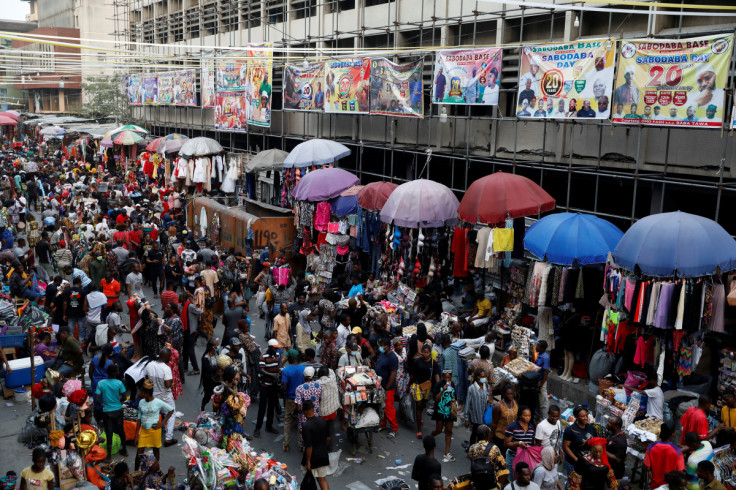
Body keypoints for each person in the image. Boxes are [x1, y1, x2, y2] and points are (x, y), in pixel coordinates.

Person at [135, 379, 174, 470]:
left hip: (155, 431)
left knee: (156, 451)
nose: (140, 393)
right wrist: (136, 435)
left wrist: (162, 423)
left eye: (142, 392)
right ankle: (135, 473)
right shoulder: (141, 402)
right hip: (144, 431)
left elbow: (171, 410)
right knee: (139, 453)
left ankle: (155, 470)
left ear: (146, 393)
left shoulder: (158, 402)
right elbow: (139, 419)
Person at [143, 348, 177, 447]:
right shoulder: (166, 368)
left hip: (154, 394)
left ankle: (151, 435)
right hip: (165, 396)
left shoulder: (149, 365)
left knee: (154, 414)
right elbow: (167, 384)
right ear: (166, 357)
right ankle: (168, 439)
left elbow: (147, 379)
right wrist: (171, 383)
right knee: (171, 414)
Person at [96, 363, 129, 458]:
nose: (119, 372)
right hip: (118, 410)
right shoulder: (119, 383)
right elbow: (124, 397)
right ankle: (125, 450)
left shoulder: (101, 383)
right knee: (121, 430)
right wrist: (118, 401)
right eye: (117, 370)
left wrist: (102, 405)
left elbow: (97, 399)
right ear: (114, 373)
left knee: (109, 432)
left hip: (107, 411)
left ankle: (109, 456)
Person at [411, 343, 441, 439]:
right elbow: (412, 373)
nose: (426, 354)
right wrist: (409, 385)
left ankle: (420, 420)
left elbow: (436, 375)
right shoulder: (416, 362)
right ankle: (419, 429)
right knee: (419, 405)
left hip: (427, 387)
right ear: (421, 352)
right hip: (417, 385)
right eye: (424, 352)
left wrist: (438, 386)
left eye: (428, 352)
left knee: (423, 403)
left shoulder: (433, 363)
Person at [644, 423, 686, 489]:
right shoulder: (677, 451)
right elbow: (680, 471)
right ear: (673, 434)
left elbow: (647, 467)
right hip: (670, 486)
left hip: (655, 484)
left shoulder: (651, 447)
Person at [468, 424, 509, 490]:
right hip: (491, 482)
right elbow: (503, 464)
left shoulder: (472, 448)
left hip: (477, 481)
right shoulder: (494, 448)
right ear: (487, 435)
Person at [254, 339, 281, 438]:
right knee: (262, 407)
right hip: (264, 384)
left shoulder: (277, 355)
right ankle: (257, 428)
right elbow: (261, 370)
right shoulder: (263, 356)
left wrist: (278, 372)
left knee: (271, 406)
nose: (277, 349)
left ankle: (269, 426)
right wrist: (272, 374)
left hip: (273, 385)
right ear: (270, 347)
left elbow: (276, 367)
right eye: (275, 348)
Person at [302, 399, 330, 490]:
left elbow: (309, 446)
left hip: (313, 458)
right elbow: (328, 438)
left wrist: (308, 461)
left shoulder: (306, 426)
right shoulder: (322, 421)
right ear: (313, 409)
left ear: (305, 412)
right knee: (322, 479)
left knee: (308, 479)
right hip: (323, 454)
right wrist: (322, 447)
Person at [431, 369, 457, 462]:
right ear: (442, 377)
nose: (447, 379)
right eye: (445, 377)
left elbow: (454, 396)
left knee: (449, 431)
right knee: (439, 430)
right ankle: (431, 436)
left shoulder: (452, 384)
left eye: (449, 377)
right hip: (440, 411)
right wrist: (443, 390)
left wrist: (454, 401)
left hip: (449, 411)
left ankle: (447, 452)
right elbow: (436, 399)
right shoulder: (438, 385)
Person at [562, 406, 597, 476]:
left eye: (586, 415)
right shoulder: (570, 430)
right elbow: (565, 447)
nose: (586, 418)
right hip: (574, 463)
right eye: (582, 416)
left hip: (587, 462)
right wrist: (576, 459)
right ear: (576, 417)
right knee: (572, 483)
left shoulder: (591, 428)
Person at [281, 349, 305, 452]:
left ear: (291, 358)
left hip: (290, 399)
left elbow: (284, 387)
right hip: (301, 400)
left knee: (288, 421)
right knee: (301, 421)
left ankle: (286, 444)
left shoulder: (286, 370)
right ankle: (301, 445)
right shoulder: (304, 369)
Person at [376, 337, 399, 437]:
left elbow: (393, 374)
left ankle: (394, 428)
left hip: (388, 387)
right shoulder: (382, 353)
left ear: (386, 346)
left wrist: (387, 388)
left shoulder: (392, 357)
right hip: (380, 384)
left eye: (381, 345)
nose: (380, 347)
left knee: (389, 408)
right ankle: (383, 424)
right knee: (382, 406)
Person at [505, 406, 535, 476]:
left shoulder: (531, 427)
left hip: (525, 457)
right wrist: (519, 444)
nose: (528, 417)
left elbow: (531, 443)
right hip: (513, 456)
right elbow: (506, 444)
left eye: (529, 416)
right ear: (520, 416)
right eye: (525, 415)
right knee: (512, 477)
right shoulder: (512, 427)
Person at [465, 367, 492, 445]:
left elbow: (487, 397)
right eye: (482, 377)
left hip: (484, 416)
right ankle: (472, 449)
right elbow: (467, 403)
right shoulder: (472, 389)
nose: (484, 378)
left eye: (485, 376)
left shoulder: (486, 387)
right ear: (477, 377)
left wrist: (489, 401)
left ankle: (478, 450)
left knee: (482, 436)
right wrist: (466, 418)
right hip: (475, 417)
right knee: (474, 433)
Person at [492, 385, 519, 449]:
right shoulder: (498, 406)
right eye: (508, 394)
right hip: (501, 436)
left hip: (512, 437)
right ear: (503, 394)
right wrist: (492, 436)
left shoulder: (515, 403)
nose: (511, 396)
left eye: (512, 394)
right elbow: (494, 423)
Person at [606, 416, 627, 482]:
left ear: (617, 427)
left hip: (615, 473)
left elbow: (618, 459)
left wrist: (602, 450)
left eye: (610, 423)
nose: (608, 424)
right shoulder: (612, 433)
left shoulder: (621, 441)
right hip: (608, 469)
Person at [535, 340, 550, 420]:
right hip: (538, 381)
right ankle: (537, 417)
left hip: (542, 382)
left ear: (542, 348)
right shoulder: (539, 354)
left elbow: (545, 373)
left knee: (544, 401)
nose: (536, 347)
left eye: (537, 346)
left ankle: (544, 418)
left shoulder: (546, 358)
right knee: (538, 400)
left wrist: (541, 386)